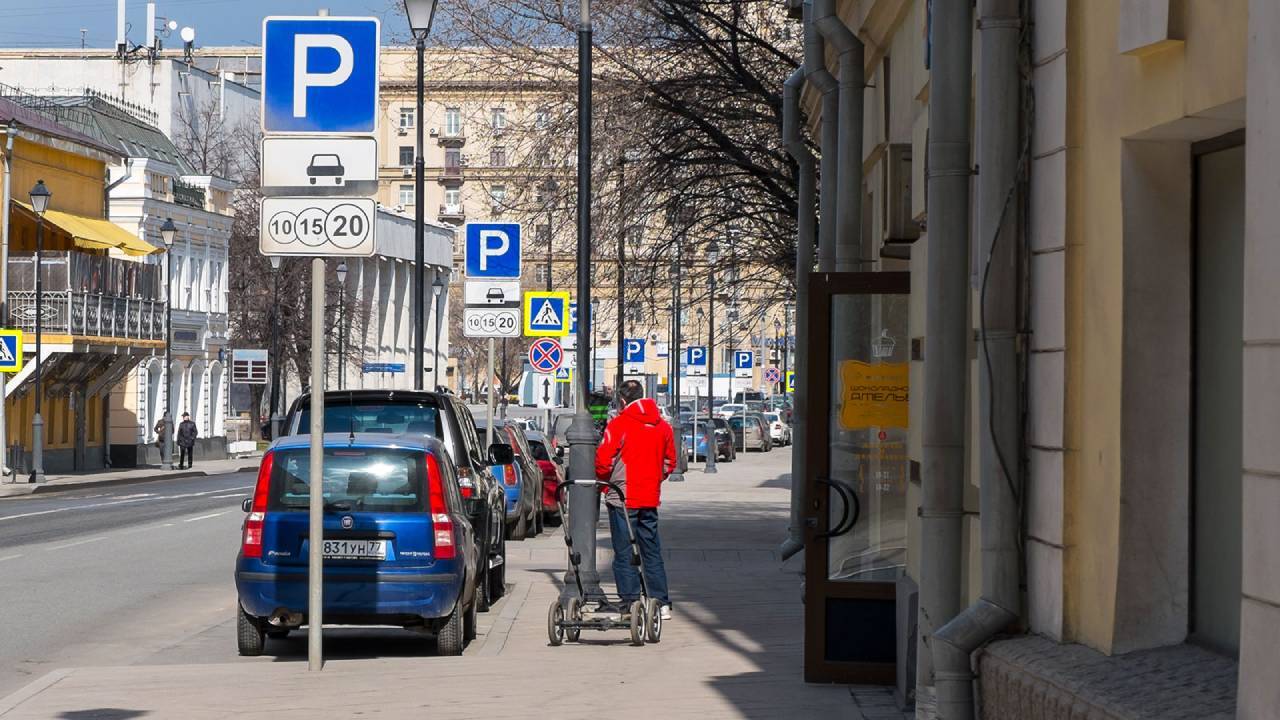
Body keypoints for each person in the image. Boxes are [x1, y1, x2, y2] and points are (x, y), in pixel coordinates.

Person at [595, 379, 676, 620]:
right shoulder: (663, 426)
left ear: (622, 401)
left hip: (622, 498)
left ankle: (630, 601)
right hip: (649, 497)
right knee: (651, 550)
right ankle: (661, 602)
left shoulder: (619, 424)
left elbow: (602, 461)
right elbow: (670, 462)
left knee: (623, 551)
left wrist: (608, 482)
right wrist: (654, 480)